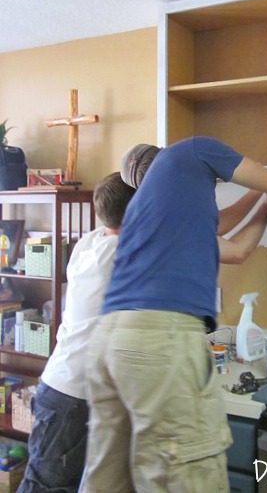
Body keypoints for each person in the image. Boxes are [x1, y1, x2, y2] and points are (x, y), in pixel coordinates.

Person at [82, 136, 267, 493]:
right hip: (160, 340)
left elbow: (233, 245)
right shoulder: (195, 149)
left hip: (110, 341)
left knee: (108, 481)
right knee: (189, 477)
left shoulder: (155, 217)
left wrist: (264, 206)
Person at [17, 172, 136, 493]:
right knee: (44, 486)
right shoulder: (121, 252)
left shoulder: (90, 242)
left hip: (62, 389)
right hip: (70, 399)